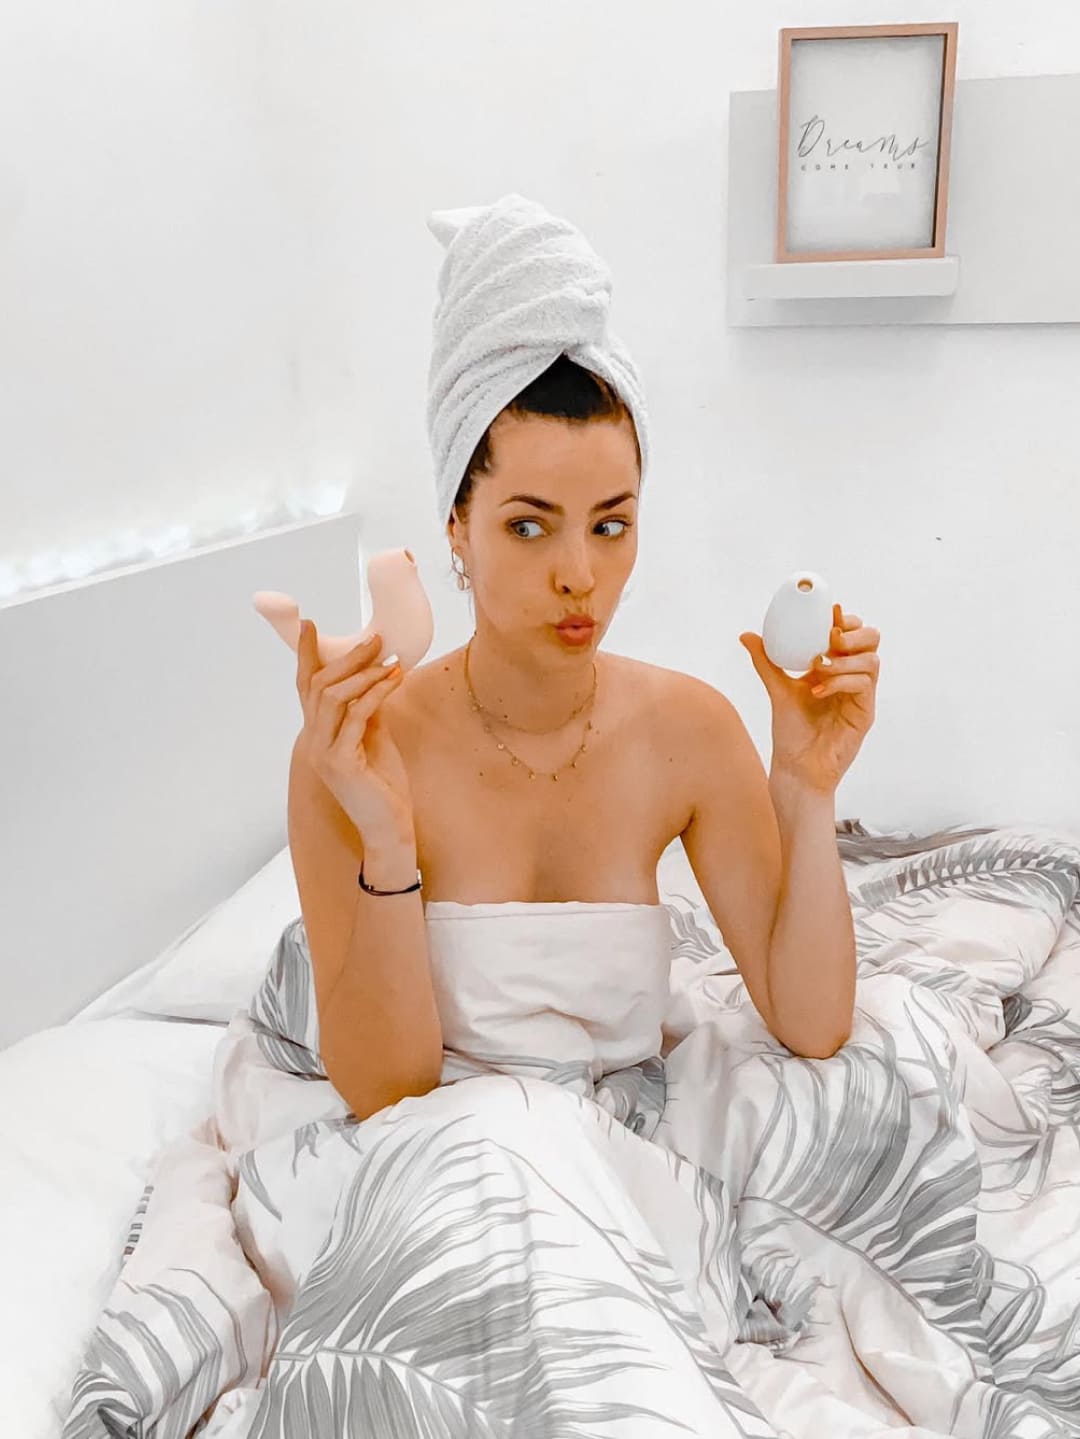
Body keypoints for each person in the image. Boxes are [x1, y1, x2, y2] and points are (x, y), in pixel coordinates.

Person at [278, 194, 884, 1435]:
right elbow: (388, 1084)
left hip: (622, 1164)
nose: (579, 573)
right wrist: (387, 842)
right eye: (529, 525)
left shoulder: (689, 728)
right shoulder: (358, 747)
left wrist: (807, 789)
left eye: (612, 524)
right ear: (454, 524)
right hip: (444, 1160)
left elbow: (813, 1021)